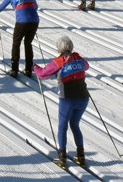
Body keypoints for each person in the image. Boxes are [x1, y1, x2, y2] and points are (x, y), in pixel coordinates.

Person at [34, 35, 90, 168]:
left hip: (67, 99)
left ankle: (62, 158)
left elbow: (42, 74)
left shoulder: (59, 62)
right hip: (83, 98)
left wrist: (34, 67)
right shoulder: (78, 58)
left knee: (62, 126)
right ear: (71, 47)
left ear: (59, 49)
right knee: (75, 124)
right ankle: (81, 156)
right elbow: (86, 66)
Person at [0, 0, 40, 78]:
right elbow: (36, 6)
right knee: (28, 43)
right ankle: (28, 69)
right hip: (35, 20)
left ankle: (14, 70)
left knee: (16, 43)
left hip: (22, 22)